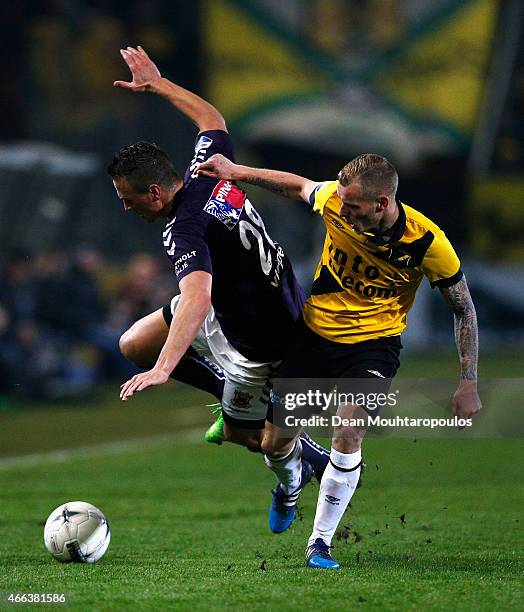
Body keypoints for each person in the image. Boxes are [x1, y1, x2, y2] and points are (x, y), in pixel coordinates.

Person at [197, 152, 482, 569]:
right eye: (342, 203)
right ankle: (290, 483)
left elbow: (464, 308)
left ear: (382, 203)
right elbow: (296, 185)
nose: (343, 210)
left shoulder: (428, 242)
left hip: (373, 346)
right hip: (313, 338)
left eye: (353, 206)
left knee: (348, 432)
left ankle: (320, 543)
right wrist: (235, 172)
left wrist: (468, 380)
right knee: (273, 443)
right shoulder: (334, 198)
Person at [107, 46, 330, 530]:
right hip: (244, 300)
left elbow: (197, 296)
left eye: (128, 200)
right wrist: (159, 85)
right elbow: (210, 116)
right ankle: (239, 402)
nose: (127, 209)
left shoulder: (182, 227)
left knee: (254, 439)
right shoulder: (207, 167)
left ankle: (296, 472)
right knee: (133, 343)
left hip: (260, 338)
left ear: (154, 192)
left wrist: (166, 369)